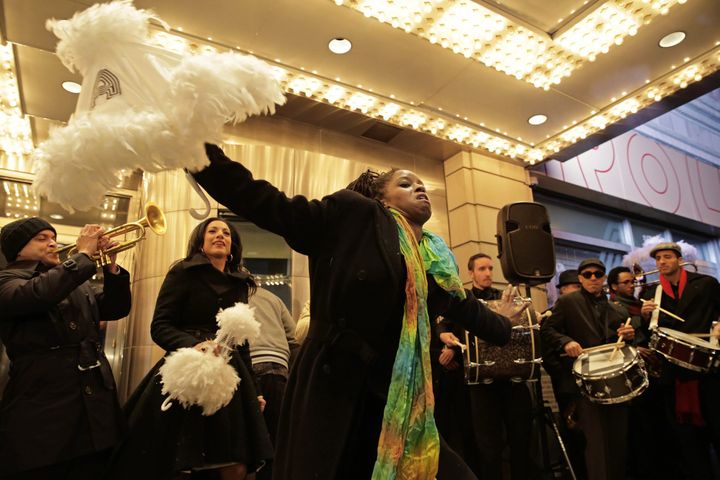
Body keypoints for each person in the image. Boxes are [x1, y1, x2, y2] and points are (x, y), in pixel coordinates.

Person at [192, 143, 514, 479]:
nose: (418, 187)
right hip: (333, 386)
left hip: (393, 397)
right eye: (405, 183)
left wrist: (504, 323)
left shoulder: (427, 261)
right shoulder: (355, 215)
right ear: (383, 200)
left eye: (420, 183)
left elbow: (461, 305)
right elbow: (273, 206)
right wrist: (198, 152)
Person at [106, 218, 272, 480]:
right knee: (180, 460)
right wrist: (194, 345)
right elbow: (159, 326)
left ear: (232, 247)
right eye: (213, 231)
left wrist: (256, 390)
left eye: (226, 233)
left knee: (235, 462)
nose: (220, 235)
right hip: (186, 372)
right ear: (200, 242)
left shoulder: (240, 282)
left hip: (230, 374)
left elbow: (242, 342)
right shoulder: (182, 272)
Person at [0, 218, 131, 479]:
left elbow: (115, 308)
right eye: (42, 238)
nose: (53, 243)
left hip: (92, 405)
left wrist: (112, 268)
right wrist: (83, 254)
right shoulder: (7, 279)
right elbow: (39, 295)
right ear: (18, 248)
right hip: (44, 406)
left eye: (53, 237)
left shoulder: (73, 281)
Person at [540, 258, 635, 480]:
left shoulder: (617, 309)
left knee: (619, 440)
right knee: (597, 443)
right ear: (580, 278)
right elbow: (546, 331)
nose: (593, 278)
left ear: (604, 278)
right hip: (586, 383)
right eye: (588, 274)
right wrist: (565, 341)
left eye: (598, 274)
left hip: (616, 381)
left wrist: (629, 337)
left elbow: (622, 342)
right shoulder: (568, 302)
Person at [639, 242, 720, 480]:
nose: (662, 262)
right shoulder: (649, 294)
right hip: (673, 373)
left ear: (679, 260)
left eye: (667, 257)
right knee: (687, 439)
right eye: (658, 259)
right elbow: (651, 334)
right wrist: (645, 317)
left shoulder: (705, 284)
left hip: (708, 370)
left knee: (717, 427)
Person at [452, 252, 534, 480]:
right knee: (488, 446)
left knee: (521, 440)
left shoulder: (504, 297)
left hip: (512, 378)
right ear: (470, 273)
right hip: (481, 382)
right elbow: (449, 327)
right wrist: (445, 337)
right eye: (482, 269)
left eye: (490, 268)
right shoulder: (463, 300)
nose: (488, 273)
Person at [247, 286, 298, 480]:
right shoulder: (273, 298)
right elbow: (293, 337)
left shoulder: (229, 294)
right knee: (276, 438)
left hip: (246, 366)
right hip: (277, 368)